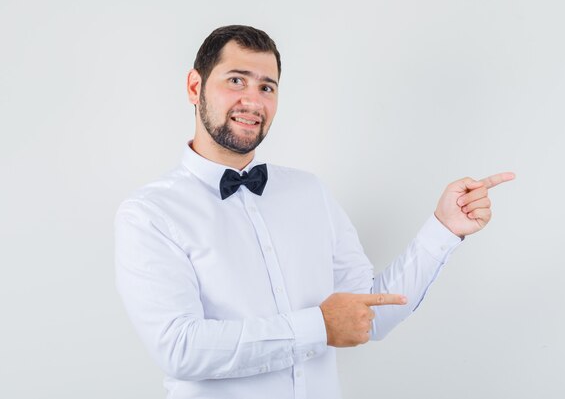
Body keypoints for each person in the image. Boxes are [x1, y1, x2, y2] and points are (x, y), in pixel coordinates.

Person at [115, 25, 515, 399]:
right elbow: (180, 348)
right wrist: (319, 327)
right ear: (194, 86)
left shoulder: (310, 192)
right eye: (235, 80)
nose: (253, 101)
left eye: (267, 86)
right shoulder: (150, 213)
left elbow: (369, 315)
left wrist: (443, 229)